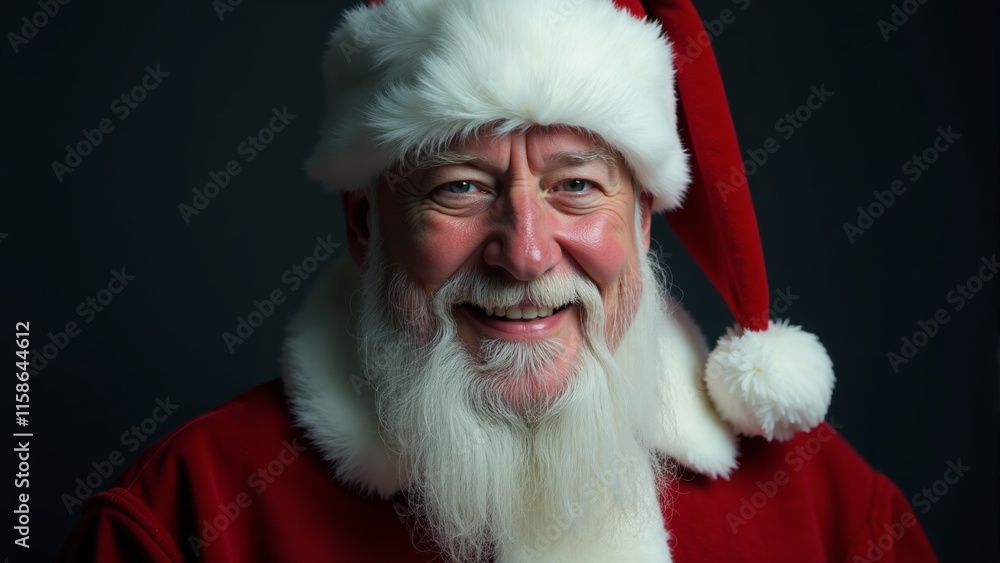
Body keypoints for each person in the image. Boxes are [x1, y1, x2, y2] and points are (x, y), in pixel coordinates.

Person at [57, 0, 939, 561]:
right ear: (366, 224)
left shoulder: (831, 514)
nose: (525, 252)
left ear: (640, 221)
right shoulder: (189, 514)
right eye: (460, 188)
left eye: (576, 186)